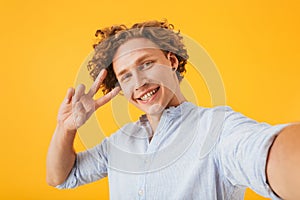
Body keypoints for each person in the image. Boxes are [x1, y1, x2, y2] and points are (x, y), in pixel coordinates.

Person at [46, 20, 300, 199]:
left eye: (146, 64)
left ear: (171, 61)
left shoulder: (218, 128)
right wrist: (66, 128)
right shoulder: (120, 141)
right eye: (125, 76)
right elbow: (61, 177)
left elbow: (261, 152)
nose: (139, 82)